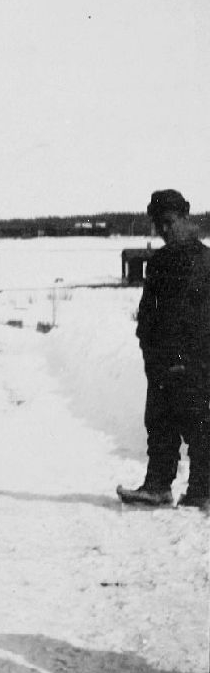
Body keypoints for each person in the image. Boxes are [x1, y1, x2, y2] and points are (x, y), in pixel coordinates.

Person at [116, 189, 210, 511]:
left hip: (194, 360)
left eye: (169, 222)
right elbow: (149, 313)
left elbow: (200, 317)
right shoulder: (158, 263)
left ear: (185, 217)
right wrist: (148, 347)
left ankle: (202, 491)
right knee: (158, 423)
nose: (164, 230)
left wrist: (188, 358)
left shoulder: (203, 261)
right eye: (159, 224)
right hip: (160, 360)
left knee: (199, 425)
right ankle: (157, 487)